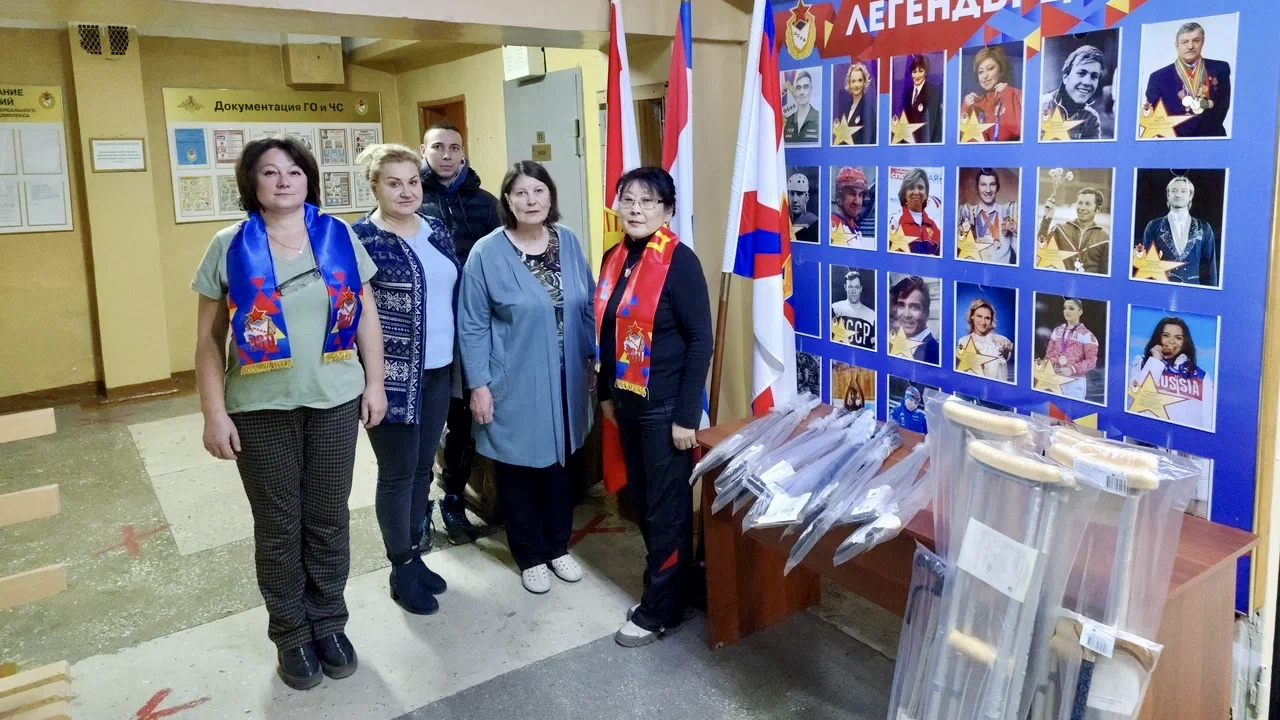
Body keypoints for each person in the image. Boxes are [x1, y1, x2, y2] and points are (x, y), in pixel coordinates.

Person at [192, 137, 385, 690]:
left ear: (309, 179)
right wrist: (212, 413)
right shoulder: (227, 245)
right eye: (270, 172)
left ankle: (329, 622)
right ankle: (291, 633)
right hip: (258, 406)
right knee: (279, 526)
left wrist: (376, 383)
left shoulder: (339, 235)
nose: (283, 181)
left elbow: (364, 314)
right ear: (251, 183)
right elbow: (208, 341)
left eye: (294, 171)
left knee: (328, 517)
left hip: (334, 399)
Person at [457, 161, 596, 595]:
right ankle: (530, 555)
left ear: (550, 196)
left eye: (538, 191)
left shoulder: (568, 241)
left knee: (559, 468)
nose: (531, 200)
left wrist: (591, 359)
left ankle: (558, 547)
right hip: (511, 379)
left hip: (566, 379)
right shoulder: (487, 252)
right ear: (507, 201)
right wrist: (478, 385)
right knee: (517, 469)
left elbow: (587, 303)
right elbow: (473, 323)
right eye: (520, 193)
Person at [595, 167, 712, 648]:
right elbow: (605, 331)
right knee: (642, 503)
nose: (637, 209)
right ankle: (675, 589)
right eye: (629, 200)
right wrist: (604, 392)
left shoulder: (679, 262)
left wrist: (687, 416)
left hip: (664, 408)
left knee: (665, 511)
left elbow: (700, 339)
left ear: (667, 210)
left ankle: (658, 610)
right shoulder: (612, 257)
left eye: (649, 202)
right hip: (625, 401)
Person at [351, 144, 455, 616]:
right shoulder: (359, 239)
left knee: (421, 470)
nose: (406, 190)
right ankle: (401, 566)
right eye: (393, 182)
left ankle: (414, 556)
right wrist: (370, 381)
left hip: (437, 372)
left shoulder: (436, 229)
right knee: (396, 474)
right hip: (389, 378)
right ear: (374, 186)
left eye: (412, 181)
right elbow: (351, 315)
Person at [419, 121, 502, 545]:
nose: (447, 155)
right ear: (424, 150)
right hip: (427, 329)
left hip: (472, 326)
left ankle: (453, 496)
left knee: (465, 419)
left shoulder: (487, 204)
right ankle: (418, 506)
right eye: (438, 147)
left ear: (464, 152)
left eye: (454, 147)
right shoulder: (412, 198)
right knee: (422, 419)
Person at [1143, 22, 1232, 138]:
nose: (1190, 46)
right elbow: (1156, 119)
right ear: (1176, 45)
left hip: (1212, 138)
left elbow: (1223, 106)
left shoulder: (1220, 68)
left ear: (1203, 42)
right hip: (1174, 143)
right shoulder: (1158, 77)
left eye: (1196, 41)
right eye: (1185, 42)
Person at [1129, 317, 1215, 431]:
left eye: (1178, 338)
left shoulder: (1202, 376)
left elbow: (1209, 419)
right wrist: (1156, 360)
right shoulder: (1141, 362)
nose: (1171, 341)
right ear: (1158, 338)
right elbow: (1136, 395)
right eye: (1166, 335)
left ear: (1184, 342)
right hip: (1148, 440)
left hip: (1185, 445)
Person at [1136, 175, 1218, 286]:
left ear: (1190, 196)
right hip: (1162, 290)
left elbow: (1209, 268)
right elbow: (1146, 267)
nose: (1178, 195)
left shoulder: (1204, 228)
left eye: (1183, 191)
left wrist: (1210, 298)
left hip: (1193, 292)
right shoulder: (1154, 226)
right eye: (1174, 191)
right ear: (1168, 195)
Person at [1040, 45, 1108, 140]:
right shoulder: (1039, 107)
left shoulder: (1091, 118)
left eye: (1094, 76)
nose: (1087, 82)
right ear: (1065, 77)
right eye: (1081, 73)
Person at [1038, 186, 1110, 274]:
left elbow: (1105, 274)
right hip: (1063, 284)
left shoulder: (1105, 239)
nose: (1082, 208)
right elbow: (1041, 248)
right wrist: (1047, 218)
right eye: (1080, 203)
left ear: (1098, 209)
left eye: (1087, 204)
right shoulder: (1060, 229)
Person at [961, 45, 1023, 141]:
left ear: (1001, 70)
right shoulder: (976, 103)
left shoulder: (1017, 94)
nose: (985, 76)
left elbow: (1018, 131)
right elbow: (962, 140)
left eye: (990, 69)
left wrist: (1006, 94)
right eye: (980, 72)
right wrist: (965, 108)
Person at [1043, 297, 1099, 401]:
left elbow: (1091, 361)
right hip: (1055, 380)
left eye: (1071, 308)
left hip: (1075, 382)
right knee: (1054, 414)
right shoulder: (1057, 331)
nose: (1067, 311)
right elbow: (1049, 354)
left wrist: (1071, 369)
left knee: (1071, 416)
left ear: (1080, 311)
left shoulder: (1086, 335)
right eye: (1065, 308)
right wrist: (1047, 363)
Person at [958, 169, 1018, 265]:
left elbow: (1019, 250)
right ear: (977, 188)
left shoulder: (1008, 213)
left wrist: (1016, 232)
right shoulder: (966, 214)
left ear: (997, 187)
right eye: (983, 185)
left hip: (1001, 274)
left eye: (992, 184)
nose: (988, 190)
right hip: (974, 272)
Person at [957, 298, 1014, 382]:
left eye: (987, 318)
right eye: (979, 316)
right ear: (972, 316)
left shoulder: (1002, 341)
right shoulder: (963, 342)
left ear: (991, 320)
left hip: (998, 391)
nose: (983, 322)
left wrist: (1005, 353)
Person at [891, 276, 939, 364]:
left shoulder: (937, 354)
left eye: (914, 307)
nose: (906, 315)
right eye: (901, 305)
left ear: (926, 313)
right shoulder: (891, 343)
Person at [891, 168, 941, 256]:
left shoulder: (935, 225)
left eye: (920, 188)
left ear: (926, 194)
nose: (916, 192)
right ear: (905, 194)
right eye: (911, 187)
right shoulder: (895, 221)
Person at [900, 54, 942, 143]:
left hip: (927, 142)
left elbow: (936, 122)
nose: (917, 75)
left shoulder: (934, 91)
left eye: (921, 71)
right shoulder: (908, 93)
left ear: (926, 72)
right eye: (914, 72)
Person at [833, 61, 876, 145]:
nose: (856, 85)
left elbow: (870, 140)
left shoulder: (867, 109)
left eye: (859, 80)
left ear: (864, 82)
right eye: (853, 81)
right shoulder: (846, 108)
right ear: (849, 83)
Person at [830, 166, 874, 249]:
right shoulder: (831, 227)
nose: (857, 202)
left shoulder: (854, 228)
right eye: (852, 194)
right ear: (840, 196)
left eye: (860, 195)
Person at [831, 271, 874, 349]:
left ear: (860, 289)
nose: (853, 291)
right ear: (845, 287)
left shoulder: (872, 314)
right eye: (850, 287)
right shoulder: (835, 308)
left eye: (856, 287)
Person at [783, 69, 820, 143]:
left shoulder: (818, 118)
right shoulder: (789, 121)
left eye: (805, 87)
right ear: (795, 92)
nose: (802, 92)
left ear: (811, 90)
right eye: (798, 88)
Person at [787, 172, 819, 243]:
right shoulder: (782, 220)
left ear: (807, 197)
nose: (794, 200)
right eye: (792, 194)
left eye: (799, 194)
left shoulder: (814, 223)